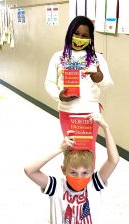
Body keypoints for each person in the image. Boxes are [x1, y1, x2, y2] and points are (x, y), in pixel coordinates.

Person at [24, 114, 119, 224]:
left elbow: (113, 160)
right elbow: (29, 170)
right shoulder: (56, 187)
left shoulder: (93, 184)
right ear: (63, 170)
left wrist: (106, 128)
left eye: (85, 173)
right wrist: (59, 149)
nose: (79, 177)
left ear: (92, 170)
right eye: (73, 172)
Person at [44, 16, 113, 153]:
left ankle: (89, 175)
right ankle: (71, 175)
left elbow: (108, 85)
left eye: (84, 35)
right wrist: (59, 95)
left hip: (91, 113)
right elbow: (49, 82)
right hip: (67, 111)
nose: (79, 38)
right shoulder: (58, 56)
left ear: (90, 38)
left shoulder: (97, 58)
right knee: (70, 148)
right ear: (70, 33)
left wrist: (100, 79)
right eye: (76, 34)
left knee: (88, 150)